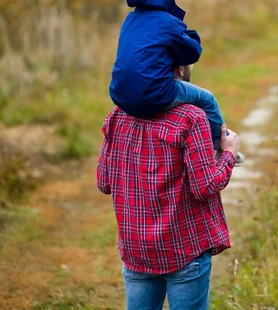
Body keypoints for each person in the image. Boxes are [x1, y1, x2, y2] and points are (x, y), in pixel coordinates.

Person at [97, 64, 240, 310]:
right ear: (180, 67)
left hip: (137, 251)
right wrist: (228, 154)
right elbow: (204, 186)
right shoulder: (192, 117)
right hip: (183, 250)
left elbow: (104, 182)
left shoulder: (117, 116)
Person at [109, 0, 244, 166]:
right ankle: (220, 146)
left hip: (120, 95)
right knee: (207, 99)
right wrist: (186, 34)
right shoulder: (166, 21)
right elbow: (192, 53)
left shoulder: (130, 20)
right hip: (156, 93)